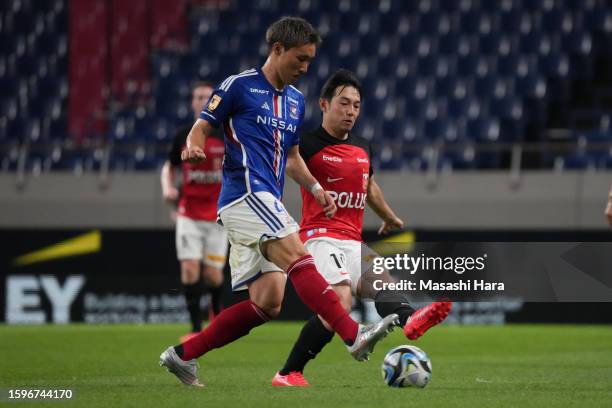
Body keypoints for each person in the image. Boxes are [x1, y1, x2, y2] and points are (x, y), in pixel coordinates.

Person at [159, 17, 400, 387]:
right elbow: (204, 123)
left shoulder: (295, 101)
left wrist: (316, 188)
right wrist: (193, 144)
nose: (305, 68)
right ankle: (354, 335)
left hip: (265, 199)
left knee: (267, 302)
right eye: (300, 60)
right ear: (277, 50)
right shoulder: (239, 86)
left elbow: (291, 158)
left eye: (309, 61)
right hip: (245, 193)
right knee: (299, 256)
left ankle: (183, 356)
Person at [271, 69, 452, 387]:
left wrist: (389, 216)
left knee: (385, 284)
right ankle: (287, 373)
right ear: (324, 104)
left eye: (356, 105)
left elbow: (369, 186)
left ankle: (412, 321)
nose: (351, 111)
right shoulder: (308, 144)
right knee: (340, 301)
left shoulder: (364, 146)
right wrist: (315, 187)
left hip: (352, 239)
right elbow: (290, 163)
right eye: (344, 103)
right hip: (318, 236)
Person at [160, 81, 226, 341]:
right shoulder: (183, 135)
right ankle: (195, 329)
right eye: (197, 97)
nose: (201, 101)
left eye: (206, 97)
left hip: (218, 217)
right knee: (189, 269)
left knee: (212, 274)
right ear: (192, 102)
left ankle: (217, 313)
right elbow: (169, 166)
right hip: (188, 214)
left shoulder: (224, 134)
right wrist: (168, 188)